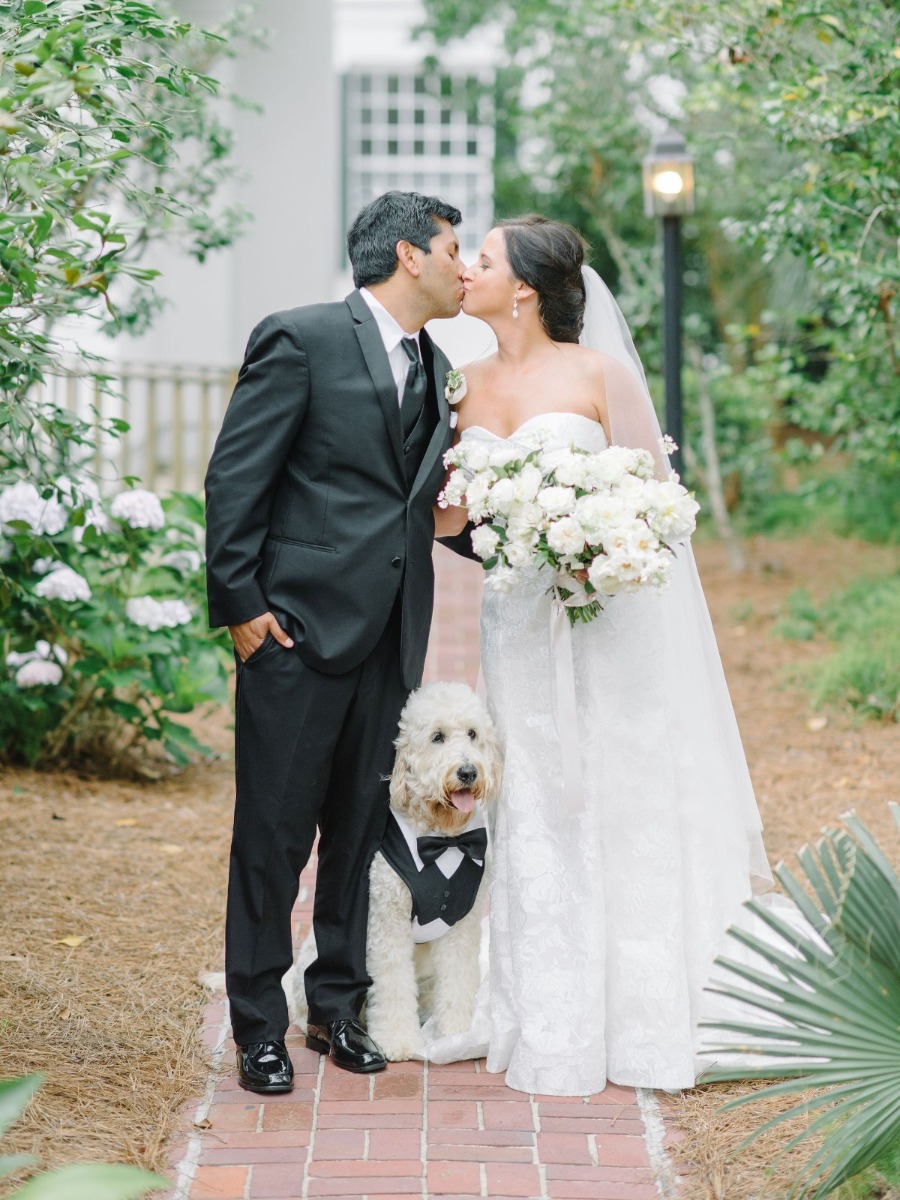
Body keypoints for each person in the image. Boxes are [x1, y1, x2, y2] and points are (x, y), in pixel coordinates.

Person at [433, 215, 773, 1097]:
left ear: (525, 290)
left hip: (606, 618)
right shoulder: (457, 385)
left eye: (484, 260)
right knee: (538, 795)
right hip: (515, 626)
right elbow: (443, 517)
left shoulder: (599, 374)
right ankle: (542, 1004)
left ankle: (648, 1001)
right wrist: (497, 519)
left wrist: (594, 545)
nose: (466, 270)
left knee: (620, 784)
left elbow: (659, 509)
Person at [205, 190, 465, 1091]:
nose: (464, 267)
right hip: (295, 633)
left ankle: (338, 1009)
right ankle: (259, 1027)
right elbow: (237, 475)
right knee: (272, 839)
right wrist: (242, 610)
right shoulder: (302, 336)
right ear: (407, 255)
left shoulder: (437, 366)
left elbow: (425, 504)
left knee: (358, 834)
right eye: (452, 250)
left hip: (392, 639)